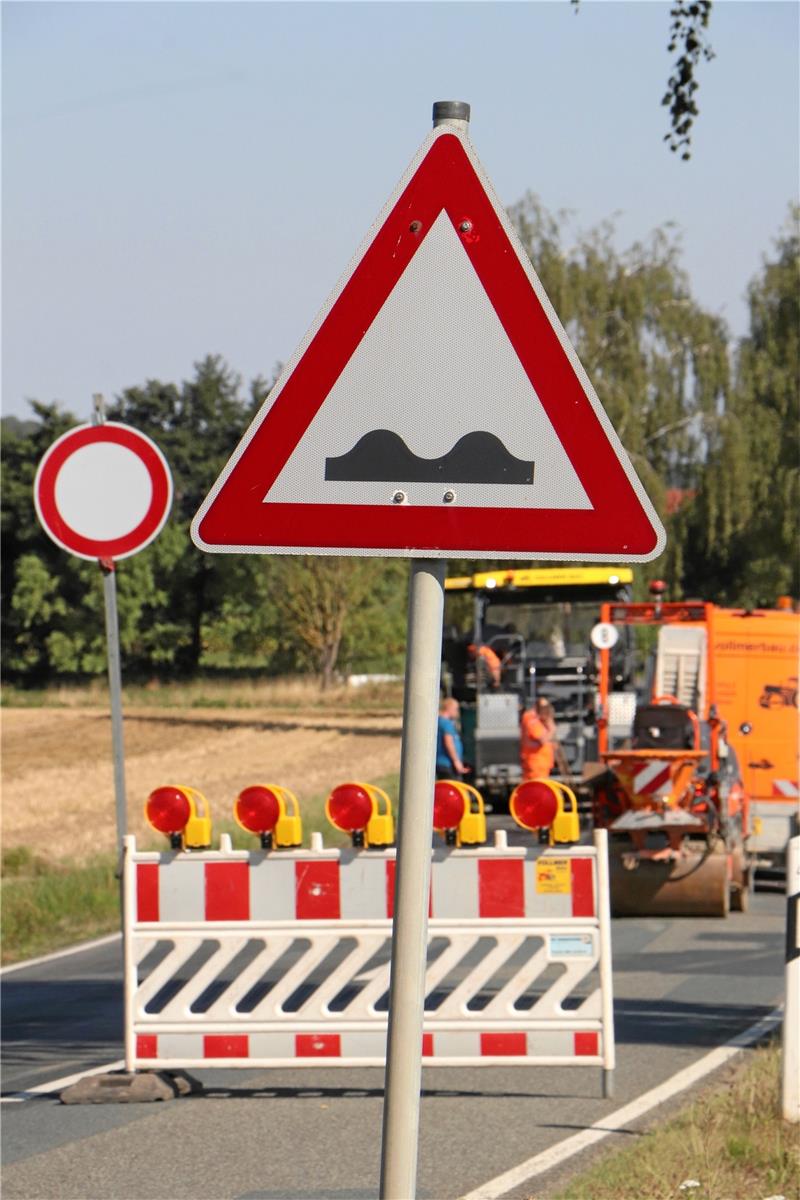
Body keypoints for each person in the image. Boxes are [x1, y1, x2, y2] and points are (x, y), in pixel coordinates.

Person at [520, 697, 556, 780]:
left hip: (541, 763)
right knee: (536, 789)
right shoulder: (532, 719)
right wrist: (551, 728)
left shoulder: (537, 719)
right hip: (536, 764)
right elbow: (542, 739)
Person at [436, 697, 468, 780]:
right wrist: (456, 761)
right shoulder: (447, 724)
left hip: (441, 764)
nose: (457, 713)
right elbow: (448, 743)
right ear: (449, 708)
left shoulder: (439, 721)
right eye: (456, 709)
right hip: (448, 764)